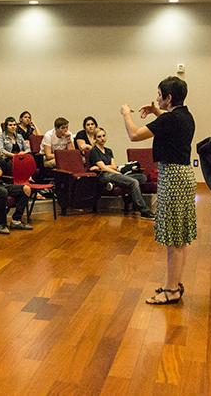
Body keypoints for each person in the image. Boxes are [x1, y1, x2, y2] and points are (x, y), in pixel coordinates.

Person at [121, 76, 196, 305]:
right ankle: (175, 284)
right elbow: (168, 121)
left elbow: (134, 135)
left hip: (172, 178)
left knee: (172, 239)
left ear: (168, 97)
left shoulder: (169, 120)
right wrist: (156, 111)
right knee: (179, 238)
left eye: (159, 95)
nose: (156, 98)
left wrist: (126, 113)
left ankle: (171, 289)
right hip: (183, 176)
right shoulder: (185, 116)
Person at [87, 127, 153, 218]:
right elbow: (103, 168)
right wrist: (112, 171)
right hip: (104, 176)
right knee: (134, 182)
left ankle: (115, 184)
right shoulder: (94, 151)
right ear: (95, 139)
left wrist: (101, 167)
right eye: (99, 137)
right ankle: (144, 210)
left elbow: (113, 166)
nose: (102, 138)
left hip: (112, 173)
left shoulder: (108, 150)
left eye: (103, 136)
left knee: (142, 177)